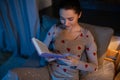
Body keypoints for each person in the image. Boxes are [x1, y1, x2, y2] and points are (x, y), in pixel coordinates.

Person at [43, 0, 98, 80]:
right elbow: (43, 49)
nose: (65, 23)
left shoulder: (86, 35)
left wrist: (76, 63)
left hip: (69, 76)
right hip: (49, 71)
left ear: (79, 14)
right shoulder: (55, 29)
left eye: (70, 19)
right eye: (62, 19)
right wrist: (47, 56)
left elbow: (94, 67)